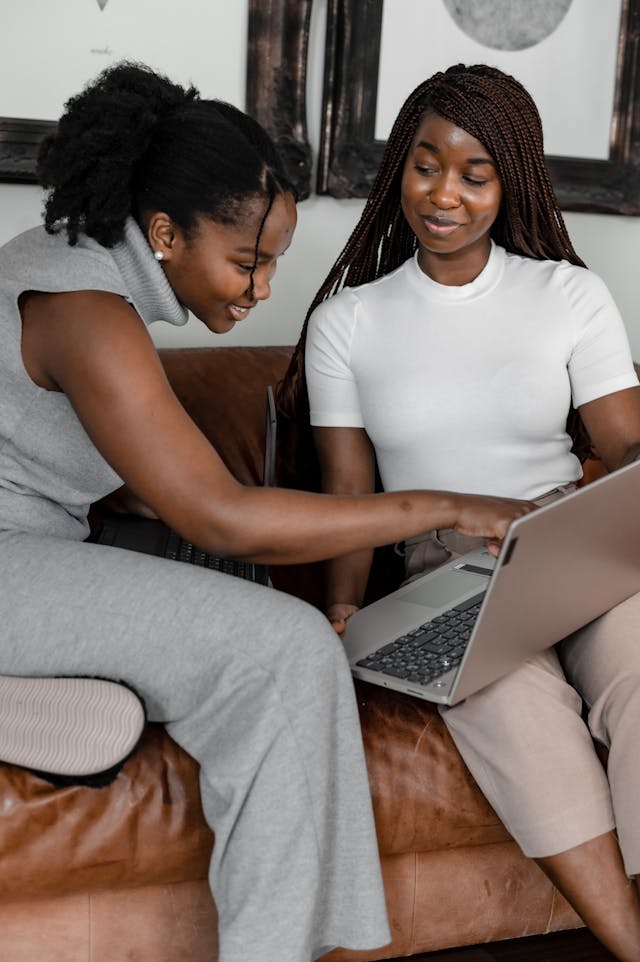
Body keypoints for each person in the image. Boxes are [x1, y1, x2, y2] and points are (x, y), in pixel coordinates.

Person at [0, 61, 531, 962]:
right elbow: (222, 516)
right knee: (280, 648)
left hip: (37, 554)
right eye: (249, 260)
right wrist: (442, 507)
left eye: (276, 260)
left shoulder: (74, 269)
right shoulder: (84, 308)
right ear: (164, 231)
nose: (261, 288)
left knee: (278, 642)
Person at [279, 64, 640, 962]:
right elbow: (349, 491)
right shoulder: (346, 322)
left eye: (475, 174)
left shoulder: (567, 295)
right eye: (426, 165)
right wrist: (343, 607)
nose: (445, 194)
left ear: (509, 182)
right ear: (399, 168)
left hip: (573, 543)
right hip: (445, 565)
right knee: (516, 710)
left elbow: (626, 448)